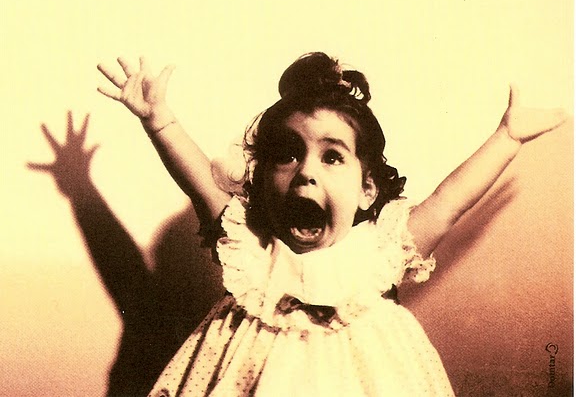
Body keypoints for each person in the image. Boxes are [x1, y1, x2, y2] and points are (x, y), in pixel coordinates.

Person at [96, 52, 566, 396]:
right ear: (261, 179)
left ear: (367, 189)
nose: (306, 171)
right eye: (287, 154)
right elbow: (200, 182)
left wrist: (506, 138)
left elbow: (448, 203)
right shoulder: (251, 249)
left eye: (332, 156)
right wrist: (160, 122)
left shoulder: (380, 251)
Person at [28, 113, 224, 396]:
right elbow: (123, 263)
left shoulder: (155, 319)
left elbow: (124, 266)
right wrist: (81, 190)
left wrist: (81, 189)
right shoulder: (158, 319)